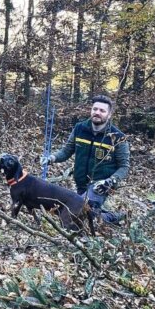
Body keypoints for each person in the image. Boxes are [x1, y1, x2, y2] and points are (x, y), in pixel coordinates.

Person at [41, 92, 129, 224]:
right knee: (87, 215)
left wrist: (110, 181)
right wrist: (51, 158)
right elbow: (66, 151)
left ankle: (111, 217)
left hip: (100, 186)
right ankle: (113, 216)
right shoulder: (80, 128)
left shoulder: (118, 137)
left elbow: (124, 167)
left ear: (109, 114)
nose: (97, 113)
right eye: (95, 109)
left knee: (77, 213)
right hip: (81, 182)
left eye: (102, 111)